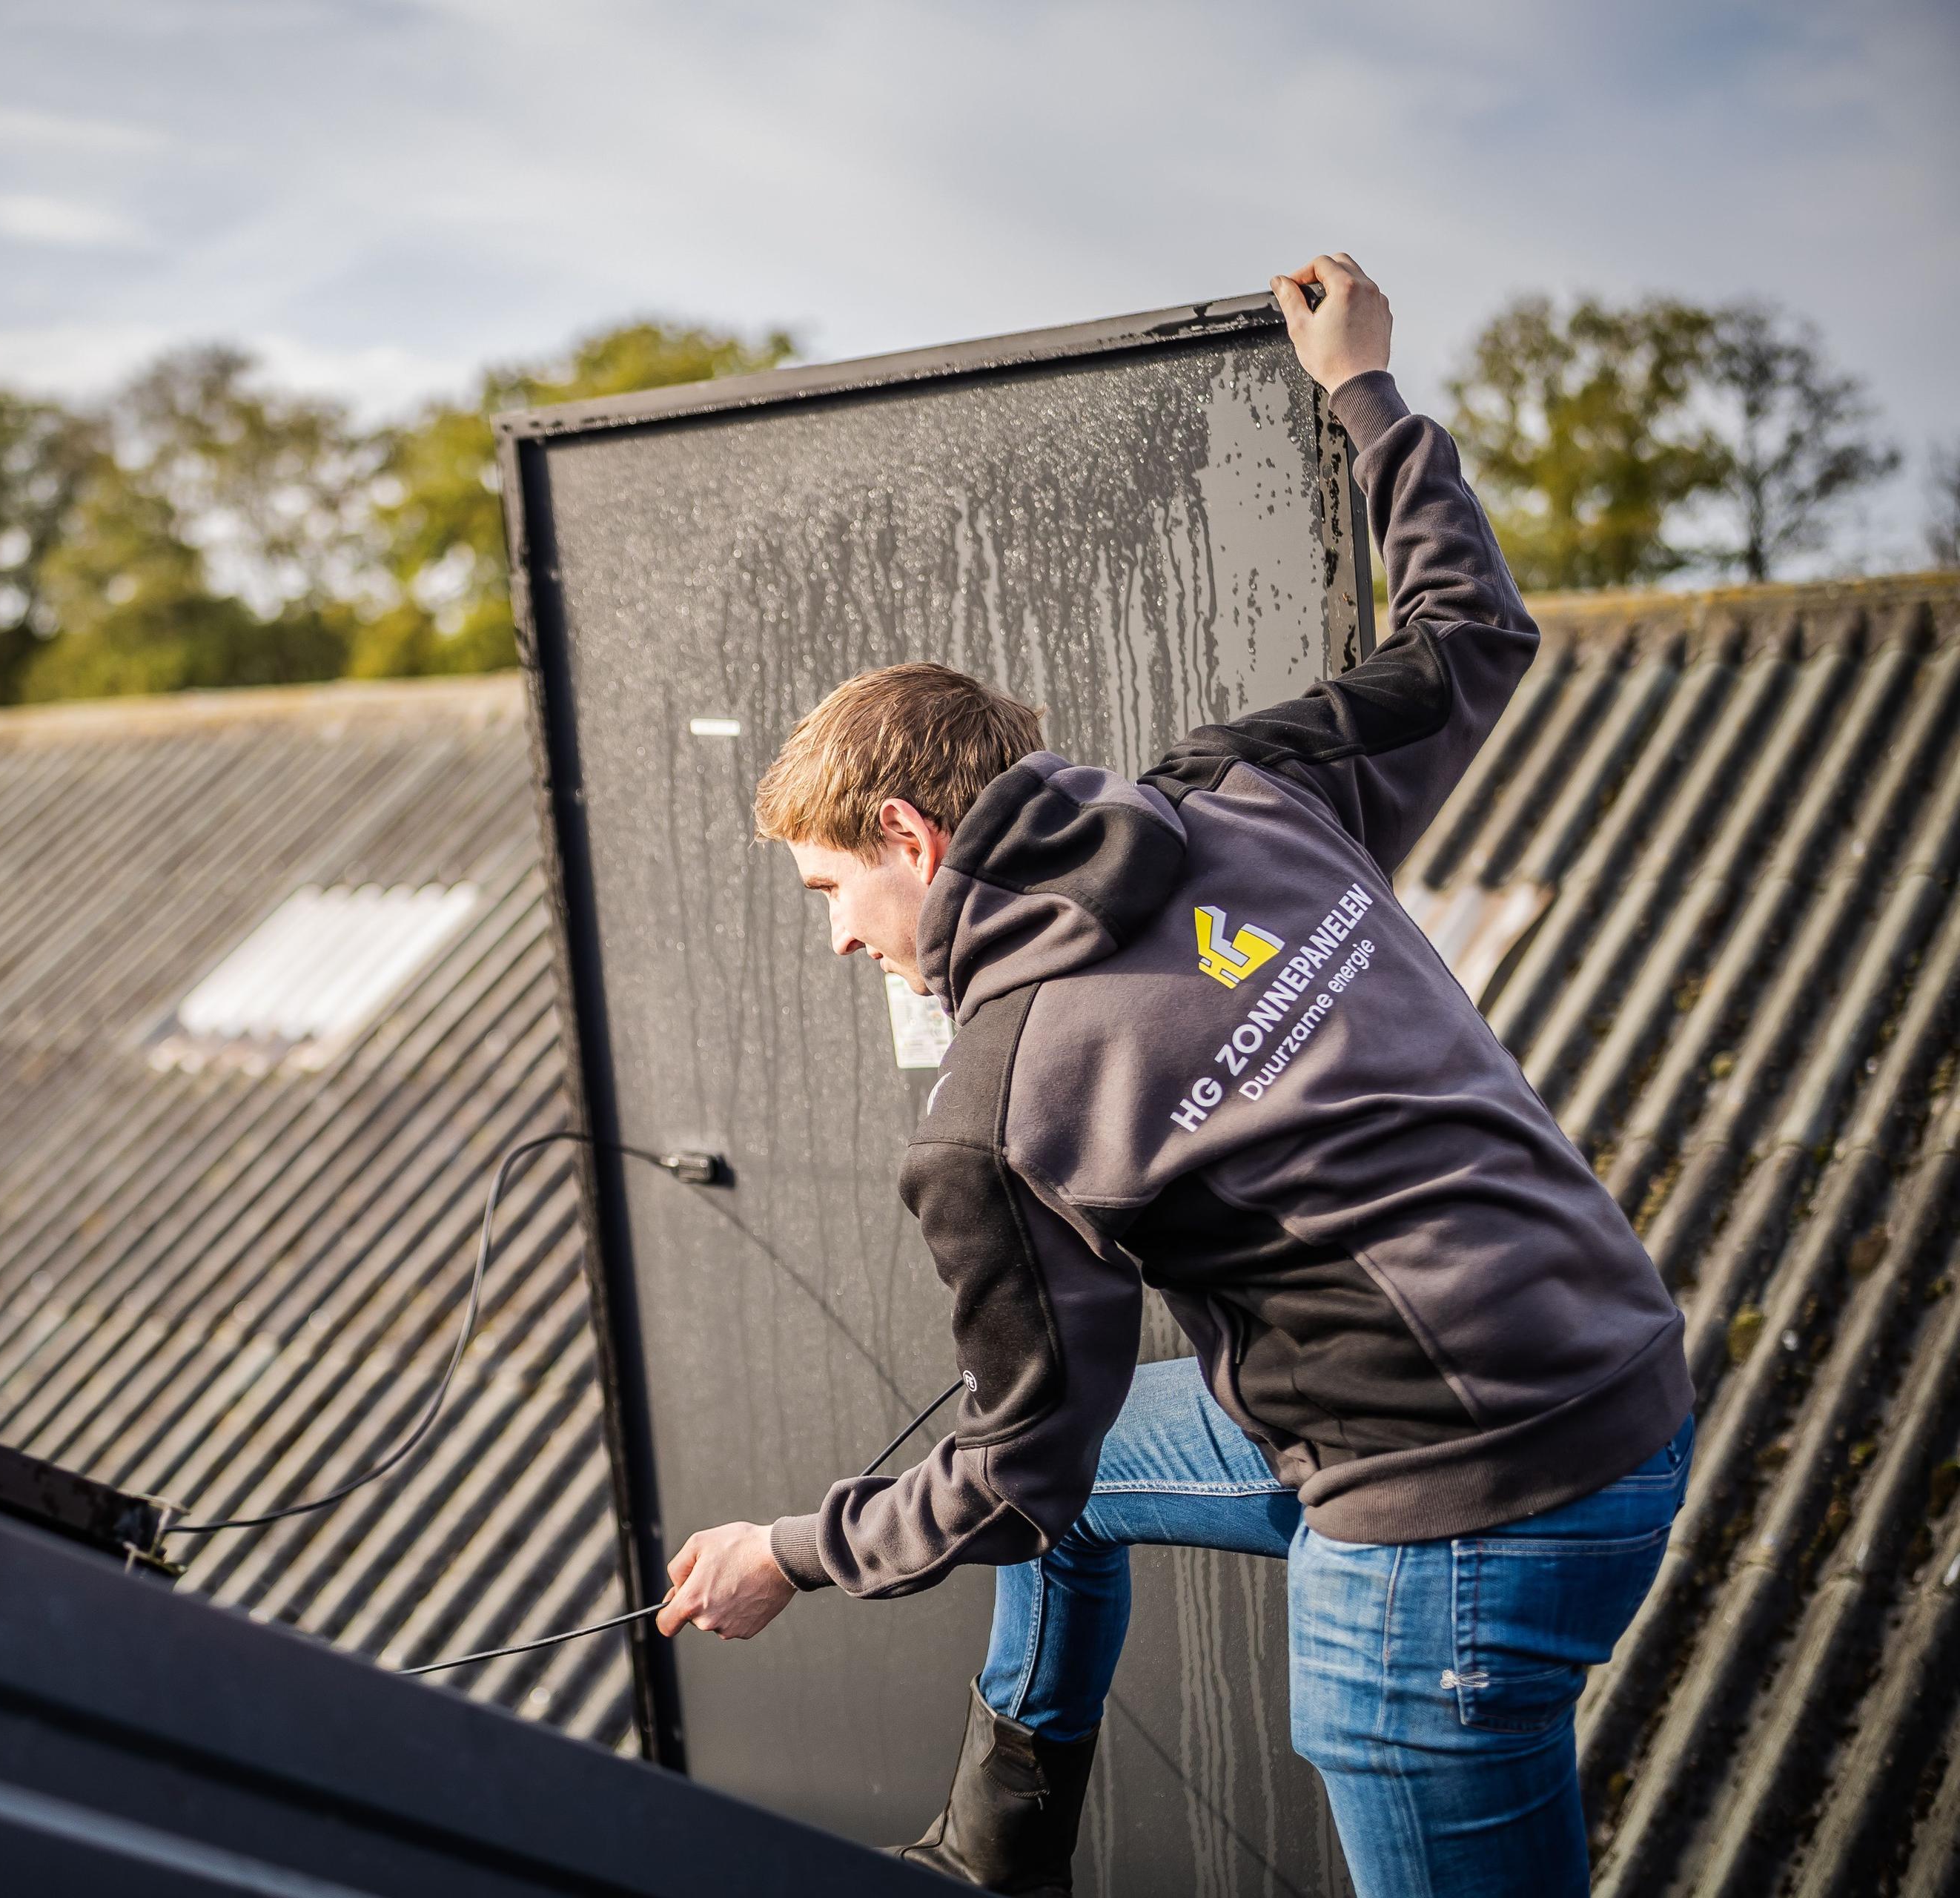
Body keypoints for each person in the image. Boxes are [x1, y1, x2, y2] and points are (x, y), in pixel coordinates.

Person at [650, 255, 1693, 1897]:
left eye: (829, 889)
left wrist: (788, 1551)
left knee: (1041, 1482)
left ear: (909, 836)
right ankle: (1003, 1843)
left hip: (1456, 1524)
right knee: (1090, 1483)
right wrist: (1362, 387)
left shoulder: (996, 1110)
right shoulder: (1245, 788)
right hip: (1622, 1376)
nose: (838, 937)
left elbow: (1009, 1471)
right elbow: (1469, 634)